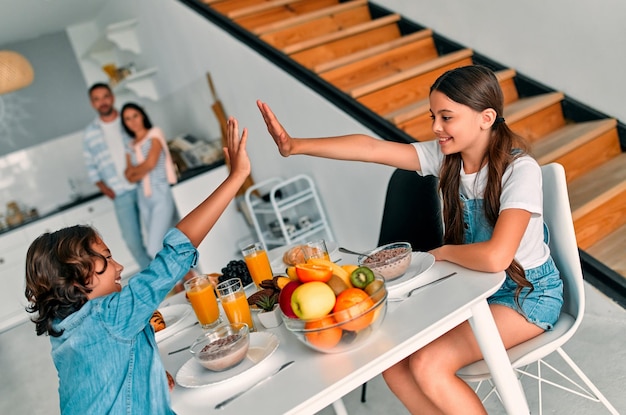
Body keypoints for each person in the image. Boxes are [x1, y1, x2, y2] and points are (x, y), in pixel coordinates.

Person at [257, 65, 564, 414]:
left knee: (428, 365)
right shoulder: (447, 158)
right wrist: (294, 145)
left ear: (486, 117)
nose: (436, 127)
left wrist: (443, 252)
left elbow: (497, 257)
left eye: (446, 117)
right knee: (393, 361)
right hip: (477, 288)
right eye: (434, 116)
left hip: (527, 296)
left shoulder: (519, 171)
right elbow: (370, 149)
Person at [24, 116, 250, 414]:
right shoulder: (111, 316)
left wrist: (145, 378)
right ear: (76, 280)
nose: (118, 267)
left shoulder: (62, 328)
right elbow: (176, 253)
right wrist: (236, 177)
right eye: (105, 258)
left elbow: (101, 379)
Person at [83, 83, 151, 270]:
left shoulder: (129, 119)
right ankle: (158, 283)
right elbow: (92, 168)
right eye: (97, 99)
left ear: (112, 97)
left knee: (159, 235)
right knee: (133, 243)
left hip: (144, 186)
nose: (102, 102)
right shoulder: (90, 134)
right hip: (120, 194)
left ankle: (180, 276)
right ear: (92, 103)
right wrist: (106, 190)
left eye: (105, 96)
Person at [121, 102, 178, 259]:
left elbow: (151, 164)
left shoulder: (155, 134)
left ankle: (180, 279)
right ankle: (183, 281)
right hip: (143, 197)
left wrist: (137, 170)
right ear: (124, 123)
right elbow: (128, 175)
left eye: (135, 116)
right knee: (167, 243)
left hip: (160, 192)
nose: (133, 121)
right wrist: (142, 169)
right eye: (127, 119)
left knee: (154, 248)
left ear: (142, 115)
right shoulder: (129, 145)